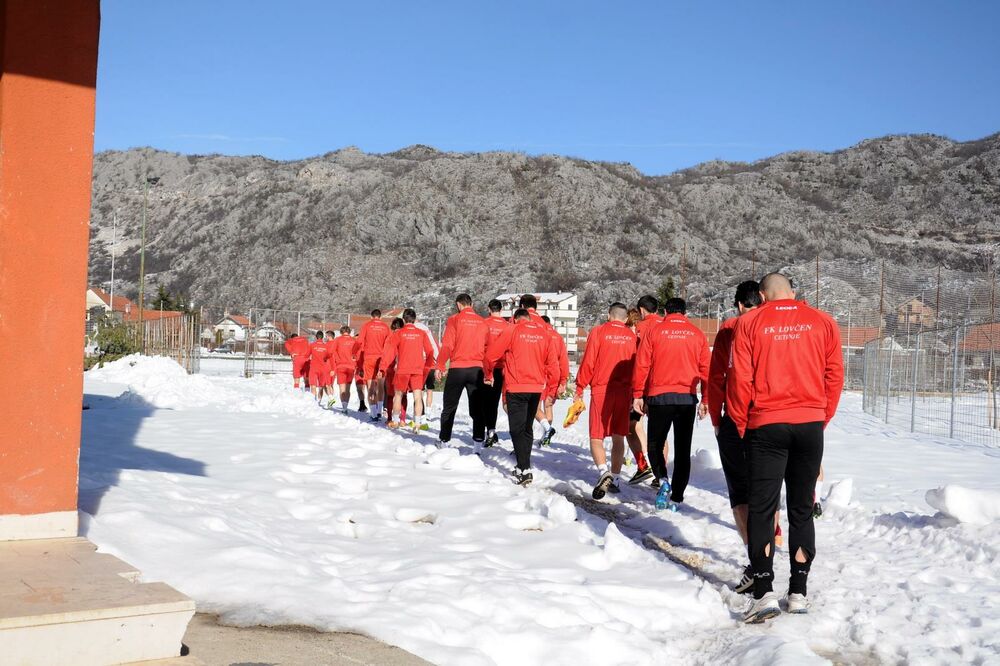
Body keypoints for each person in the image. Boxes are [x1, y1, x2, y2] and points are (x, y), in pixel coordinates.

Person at [727, 273, 844, 623]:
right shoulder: (823, 322)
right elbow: (834, 375)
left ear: (762, 296)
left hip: (766, 424)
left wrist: (742, 423)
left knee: (763, 509)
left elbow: (739, 379)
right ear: (793, 293)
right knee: (802, 509)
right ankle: (798, 593)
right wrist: (820, 418)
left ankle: (763, 593)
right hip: (809, 424)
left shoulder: (748, 323)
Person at [707, 280, 762, 594]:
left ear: (740, 304)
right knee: (765, 489)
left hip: (737, 418)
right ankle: (769, 543)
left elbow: (716, 378)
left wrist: (717, 418)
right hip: (775, 416)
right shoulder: (773, 328)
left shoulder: (729, 329)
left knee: (740, 494)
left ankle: (755, 559)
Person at [631, 297, 710, 507]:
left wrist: (638, 394)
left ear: (665, 312)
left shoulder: (654, 332)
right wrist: (706, 399)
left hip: (660, 397)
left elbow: (642, 365)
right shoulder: (697, 334)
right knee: (683, 449)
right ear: (685, 313)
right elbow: (706, 370)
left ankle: (663, 479)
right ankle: (677, 497)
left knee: (655, 444)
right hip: (687, 398)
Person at [484, 308, 559, 486]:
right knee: (526, 428)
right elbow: (553, 365)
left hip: (516, 387)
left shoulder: (512, 329)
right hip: (536, 388)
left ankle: (524, 469)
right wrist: (552, 389)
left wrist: (488, 374)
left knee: (516, 429)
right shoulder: (544, 333)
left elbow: (490, 355)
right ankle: (523, 465)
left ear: (516, 319)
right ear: (530, 318)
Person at [574, 302, 637, 499]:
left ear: (609, 315)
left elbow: (589, 361)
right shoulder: (632, 336)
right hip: (624, 391)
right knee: (619, 436)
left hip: (602, 389)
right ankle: (616, 478)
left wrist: (580, 386)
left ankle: (604, 471)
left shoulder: (598, 332)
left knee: (596, 436)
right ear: (626, 319)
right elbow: (637, 366)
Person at [436, 293, 490, 450]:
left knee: (449, 407)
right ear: (471, 304)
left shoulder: (454, 319)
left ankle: (444, 441)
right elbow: (488, 349)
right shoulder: (482, 322)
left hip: (457, 369)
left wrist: (440, 365)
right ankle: (477, 445)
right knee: (477, 409)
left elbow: (447, 345)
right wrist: (489, 372)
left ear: (458, 305)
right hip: (477, 370)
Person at [520, 295, 569, 447]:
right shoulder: (557, 336)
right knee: (548, 405)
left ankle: (540, 432)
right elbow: (563, 360)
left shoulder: (530, 325)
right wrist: (563, 380)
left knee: (534, 407)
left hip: (539, 371)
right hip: (553, 373)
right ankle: (546, 436)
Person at [623, 295, 662, 485]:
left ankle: (642, 466)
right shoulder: (664, 326)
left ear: (641, 310)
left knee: (630, 427)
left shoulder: (641, 328)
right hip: (661, 385)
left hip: (641, 386)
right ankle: (660, 475)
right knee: (660, 433)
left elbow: (637, 358)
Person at [382, 309, 436, 431]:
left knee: (398, 395)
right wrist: (427, 366)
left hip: (402, 369)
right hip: (417, 369)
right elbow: (430, 351)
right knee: (418, 396)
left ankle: (396, 421)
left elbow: (390, 351)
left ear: (404, 319)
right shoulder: (421, 333)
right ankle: (417, 424)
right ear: (414, 319)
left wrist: (383, 367)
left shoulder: (399, 333)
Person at [482, 299, 510, 447]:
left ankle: (486, 431)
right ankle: (491, 432)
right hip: (502, 367)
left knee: (484, 401)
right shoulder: (508, 326)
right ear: (501, 309)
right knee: (495, 402)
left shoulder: (484, 323)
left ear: (489, 309)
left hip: (486, 366)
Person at [354, 309, 392, 421]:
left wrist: (353, 352)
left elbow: (359, 341)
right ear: (380, 317)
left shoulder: (366, 325)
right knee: (380, 386)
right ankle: (379, 410)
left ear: (371, 317)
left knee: (370, 386)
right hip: (381, 358)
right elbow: (389, 344)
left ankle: (374, 413)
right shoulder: (385, 327)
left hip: (369, 358)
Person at [413, 317, 439, 411]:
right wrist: (439, 364)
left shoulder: (414, 329)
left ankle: (421, 411)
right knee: (430, 390)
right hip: (431, 365)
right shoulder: (428, 333)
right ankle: (428, 412)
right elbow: (435, 349)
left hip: (420, 365)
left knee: (419, 390)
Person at [332, 325, 357, 413]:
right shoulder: (354, 340)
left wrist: (337, 359)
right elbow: (357, 353)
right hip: (351, 366)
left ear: (341, 332)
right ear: (349, 332)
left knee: (342, 388)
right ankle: (346, 406)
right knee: (348, 388)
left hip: (341, 366)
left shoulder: (337, 340)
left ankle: (344, 407)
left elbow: (333, 351)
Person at [308, 330, 333, 403]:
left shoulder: (312, 345)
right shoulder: (326, 346)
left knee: (313, 385)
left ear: (316, 337)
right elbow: (329, 355)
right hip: (323, 368)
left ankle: (314, 402)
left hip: (314, 368)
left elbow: (307, 354)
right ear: (322, 337)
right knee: (322, 386)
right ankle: (329, 398)